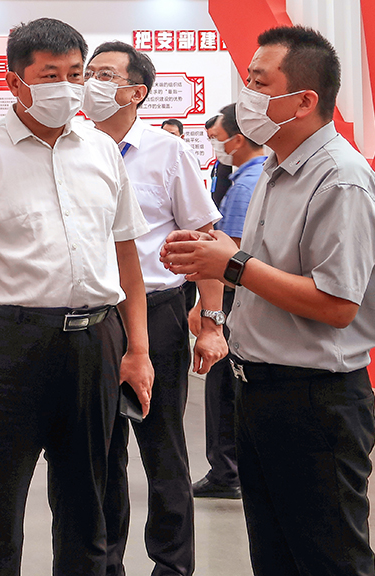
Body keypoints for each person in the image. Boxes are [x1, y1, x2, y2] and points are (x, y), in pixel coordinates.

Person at [161, 26, 375, 576]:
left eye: (259, 83)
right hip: (260, 391)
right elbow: (271, 270)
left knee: (328, 558)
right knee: (275, 556)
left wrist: (233, 265)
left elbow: (337, 304)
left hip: (315, 400)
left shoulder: (341, 181)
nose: (246, 95)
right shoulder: (275, 167)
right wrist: (217, 272)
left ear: (304, 101)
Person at [0, 18, 151, 576]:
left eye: (76, 74)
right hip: (8, 345)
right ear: (15, 82)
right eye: (50, 75)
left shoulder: (102, 151)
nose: (67, 86)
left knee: (89, 506)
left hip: (95, 342)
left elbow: (126, 256)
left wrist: (138, 349)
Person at [79, 40, 227, 576]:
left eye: (105, 75)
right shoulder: (74, 147)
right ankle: (106, 564)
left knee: (162, 446)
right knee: (101, 451)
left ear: (136, 92)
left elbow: (205, 239)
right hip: (95, 319)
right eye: (89, 73)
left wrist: (211, 322)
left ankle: (172, 565)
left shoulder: (168, 153)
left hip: (159, 312)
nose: (91, 84)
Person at [193, 103, 267, 500]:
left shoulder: (244, 185)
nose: (215, 147)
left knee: (222, 388)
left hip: (234, 300)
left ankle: (226, 472)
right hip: (250, 300)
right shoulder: (260, 176)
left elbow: (230, 258)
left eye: (217, 140)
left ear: (237, 140)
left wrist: (207, 310)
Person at [206, 115, 233, 208]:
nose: (213, 141)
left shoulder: (235, 162)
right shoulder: (220, 161)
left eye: (215, 136)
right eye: (210, 138)